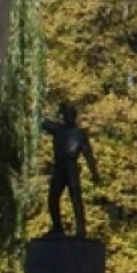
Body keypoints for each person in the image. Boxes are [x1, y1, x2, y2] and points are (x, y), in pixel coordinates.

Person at [42, 102, 99, 238]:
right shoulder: (58, 129)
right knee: (52, 198)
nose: (66, 117)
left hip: (71, 167)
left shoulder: (79, 134)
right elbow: (42, 121)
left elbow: (88, 154)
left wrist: (94, 172)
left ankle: (81, 228)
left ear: (73, 116)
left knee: (75, 197)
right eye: (64, 114)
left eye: (68, 114)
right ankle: (57, 227)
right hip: (59, 166)